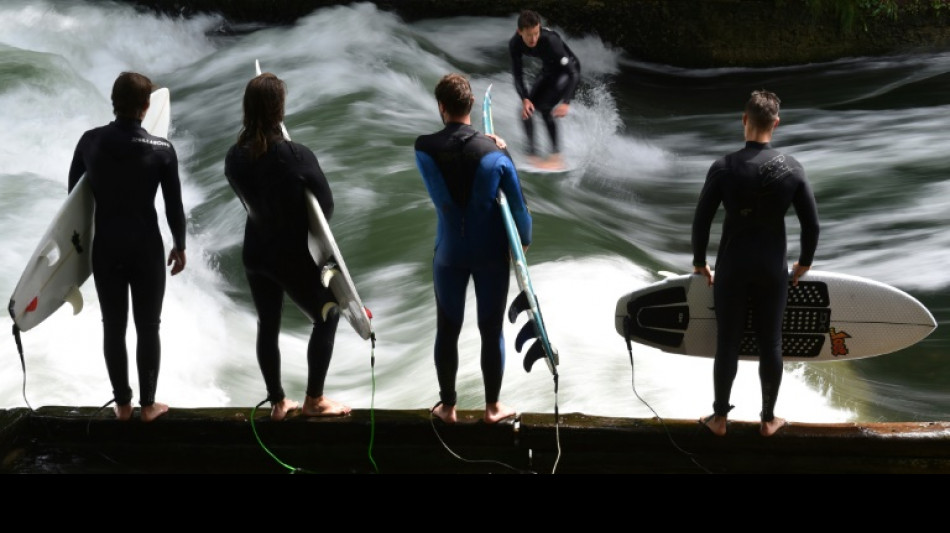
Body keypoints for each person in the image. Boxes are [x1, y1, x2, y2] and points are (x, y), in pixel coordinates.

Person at [691, 90, 819, 438]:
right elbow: (812, 225)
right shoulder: (792, 168)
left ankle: (719, 420)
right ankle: (768, 420)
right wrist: (804, 263)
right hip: (771, 267)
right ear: (776, 124)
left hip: (732, 266)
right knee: (770, 343)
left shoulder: (723, 168)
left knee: (727, 343)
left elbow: (701, 220)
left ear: (744, 119)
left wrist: (700, 262)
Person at [225, 72, 350, 421]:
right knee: (328, 314)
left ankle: (278, 402)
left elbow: (247, 199)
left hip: (255, 251)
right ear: (279, 109)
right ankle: (314, 400)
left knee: (269, 323)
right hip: (289, 255)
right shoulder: (296, 156)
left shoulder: (233, 157)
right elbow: (325, 208)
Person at [67, 72, 187, 422]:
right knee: (148, 326)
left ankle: (122, 407)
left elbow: (73, 196)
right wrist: (179, 246)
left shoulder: (89, 142)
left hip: (106, 248)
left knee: (113, 326)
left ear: (113, 101)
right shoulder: (162, 150)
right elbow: (173, 206)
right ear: (146, 107)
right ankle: (148, 406)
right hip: (146, 248)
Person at [415, 73, 533, 424]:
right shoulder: (494, 153)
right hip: (490, 255)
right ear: (470, 107)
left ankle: (448, 407)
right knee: (490, 330)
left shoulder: (422, 148)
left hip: (448, 254)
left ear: (441, 107)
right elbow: (519, 209)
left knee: (447, 329)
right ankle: (493, 408)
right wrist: (504, 150)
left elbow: (448, 166)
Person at [508, 9, 581, 171]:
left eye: (536, 33)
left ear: (539, 28)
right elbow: (517, 75)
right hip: (548, 71)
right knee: (526, 110)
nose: (534, 39)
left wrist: (566, 102)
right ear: (520, 32)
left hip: (568, 71)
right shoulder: (515, 44)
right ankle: (532, 154)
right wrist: (525, 98)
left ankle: (557, 157)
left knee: (545, 108)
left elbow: (573, 73)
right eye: (529, 35)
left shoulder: (550, 40)